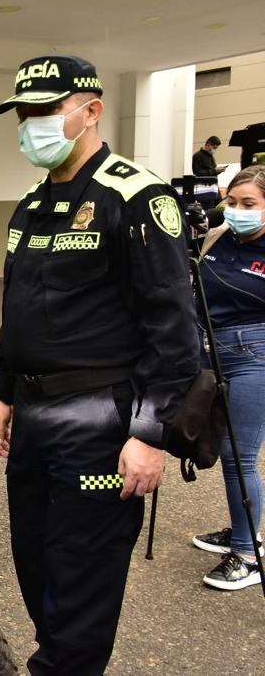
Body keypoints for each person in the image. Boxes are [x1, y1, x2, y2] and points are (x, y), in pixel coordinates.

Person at [0, 55, 199, 674]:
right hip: (32, 418)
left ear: (89, 111)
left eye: (44, 112)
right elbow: (17, 309)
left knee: (81, 584)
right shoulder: (30, 204)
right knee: (37, 567)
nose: (30, 126)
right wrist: (2, 392)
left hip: (101, 427)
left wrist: (150, 434)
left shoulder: (134, 196)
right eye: (22, 115)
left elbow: (173, 329)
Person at [191, 165, 265, 591]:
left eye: (249, 204)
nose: (237, 211)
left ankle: (247, 553)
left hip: (256, 355)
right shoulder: (219, 238)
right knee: (220, 446)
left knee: (241, 455)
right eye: (232, 203)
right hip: (211, 351)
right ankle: (241, 529)